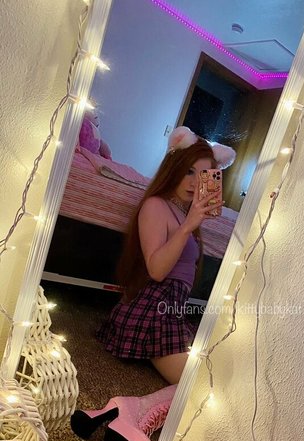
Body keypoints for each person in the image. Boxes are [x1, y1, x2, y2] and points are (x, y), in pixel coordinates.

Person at [96, 126, 236, 385]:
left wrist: (191, 222)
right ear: (174, 168)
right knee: (200, 383)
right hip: (153, 309)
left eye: (204, 176)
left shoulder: (182, 212)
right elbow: (157, 270)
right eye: (189, 171)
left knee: (217, 361)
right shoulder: (156, 205)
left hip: (172, 308)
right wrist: (187, 227)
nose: (195, 183)